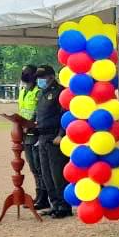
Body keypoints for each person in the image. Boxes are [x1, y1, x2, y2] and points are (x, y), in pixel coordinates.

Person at [33, 65, 71, 218]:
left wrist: (61, 134)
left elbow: (65, 114)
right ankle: (54, 203)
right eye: (38, 77)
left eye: (42, 76)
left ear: (51, 76)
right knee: (46, 174)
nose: (39, 79)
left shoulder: (60, 92)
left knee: (57, 174)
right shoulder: (42, 93)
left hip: (54, 137)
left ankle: (64, 206)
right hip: (42, 137)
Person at [17, 65, 48, 211]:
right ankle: (39, 194)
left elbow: (38, 112)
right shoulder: (23, 91)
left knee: (39, 167)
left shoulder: (38, 92)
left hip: (35, 133)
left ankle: (43, 197)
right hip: (24, 134)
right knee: (33, 168)